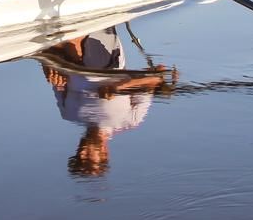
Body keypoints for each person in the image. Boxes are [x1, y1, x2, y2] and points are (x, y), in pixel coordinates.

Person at [40, 26, 174, 177]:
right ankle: (65, 34)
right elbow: (158, 76)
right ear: (104, 154)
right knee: (86, 66)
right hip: (105, 60)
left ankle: (56, 35)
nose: (82, 152)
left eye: (78, 156)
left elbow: (55, 76)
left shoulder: (68, 113)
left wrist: (47, 66)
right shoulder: (130, 120)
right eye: (88, 159)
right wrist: (119, 86)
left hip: (66, 59)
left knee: (59, 57)